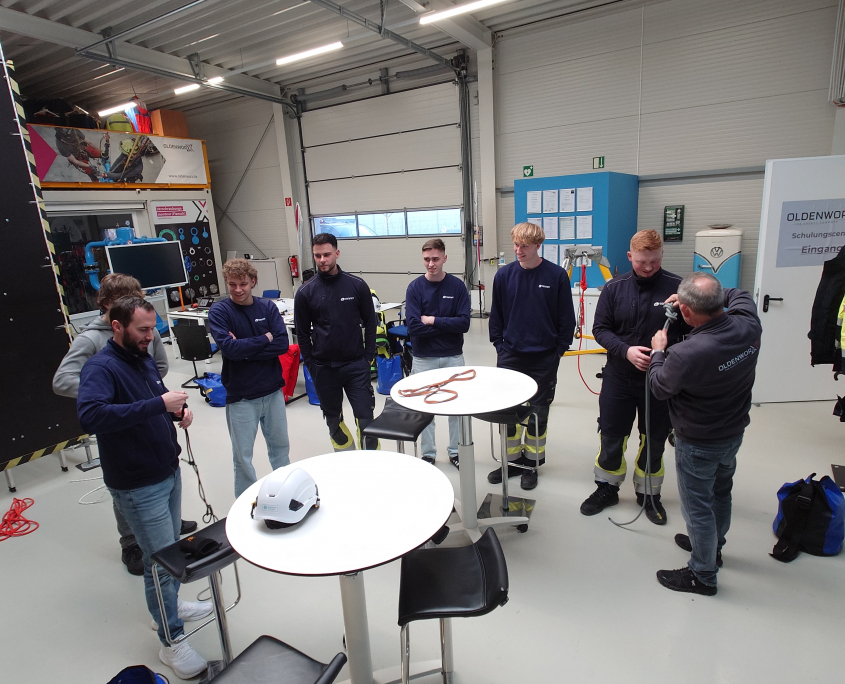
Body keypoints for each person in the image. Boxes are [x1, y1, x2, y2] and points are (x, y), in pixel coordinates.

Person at [77, 296, 211, 679]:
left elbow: (154, 399)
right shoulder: (101, 368)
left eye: (153, 328)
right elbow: (91, 416)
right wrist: (158, 406)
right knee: (161, 563)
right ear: (117, 327)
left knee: (169, 554)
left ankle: (168, 608)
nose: (151, 336)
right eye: (143, 329)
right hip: (138, 485)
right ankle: (172, 641)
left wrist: (177, 410)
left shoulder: (143, 358)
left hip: (166, 471)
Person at [52, 273, 197, 576]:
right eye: (142, 328)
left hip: (156, 444)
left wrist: (165, 404)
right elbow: (66, 385)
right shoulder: (93, 345)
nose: (149, 335)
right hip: (128, 454)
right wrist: (112, 390)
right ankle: (131, 541)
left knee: (163, 526)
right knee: (137, 506)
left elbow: (157, 371)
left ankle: (164, 523)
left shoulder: (143, 341)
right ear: (108, 307)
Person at [649, 273, 762, 596]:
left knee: (697, 507)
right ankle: (713, 548)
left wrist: (658, 352)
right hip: (733, 432)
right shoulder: (748, 325)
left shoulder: (687, 353)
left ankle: (702, 574)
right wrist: (697, 296)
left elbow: (659, 387)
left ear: (685, 312)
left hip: (698, 442)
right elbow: (738, 293)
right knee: (720, 493)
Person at [580, 229, 688, 524]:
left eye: (654, 261)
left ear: (662, 254)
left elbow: (695, 330)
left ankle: (648, 494)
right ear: (630, 257)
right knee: (612, 434)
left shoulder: (678, 288)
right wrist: (626, 351)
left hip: (661, 381)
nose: (649, 267)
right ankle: (607, 488)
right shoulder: (614, 288)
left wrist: (684, 310)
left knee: (654, 437)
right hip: (620, 376)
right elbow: (600, 329)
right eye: (642, 262)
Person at [488, 222, 576, 490]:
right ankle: (512, 462)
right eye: (516, 245)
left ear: (538, 245)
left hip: (544, 358)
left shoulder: (556, 276)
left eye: (524, 246)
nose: (518, 250)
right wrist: (499, 345)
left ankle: (531, 465)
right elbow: (496, 315)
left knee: (538, 414)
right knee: (508, 412)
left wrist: (558, 351)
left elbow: (566, 318)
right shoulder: (503, 276)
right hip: (510, 356)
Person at [208, 259, 291, 498]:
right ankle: (244, 503)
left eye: (243, 284)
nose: (238, 289)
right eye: (232, 284)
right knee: (243, 457)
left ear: (253, 282)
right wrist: (265, 338)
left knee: (281, 449)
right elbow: (229, 349)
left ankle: (286, 493)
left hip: (272, 391)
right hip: (241, 396)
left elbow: (282, 344)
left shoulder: (267, 308)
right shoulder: (220, 311)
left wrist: (243, 349)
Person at [294, 233, 378, 451]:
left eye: (327, 254)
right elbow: (302, 333)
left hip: (356, 366)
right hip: (324, 369)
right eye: (317, 255)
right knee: (334, 424)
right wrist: (311, 365)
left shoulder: (356, 285)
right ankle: (346, 462)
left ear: (337, 253)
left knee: (366, 422)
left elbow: (371, 323)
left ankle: (372, 465)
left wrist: (368, 357)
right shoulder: (305, 292)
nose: (322, 260)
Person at [405, 238, 471, 466]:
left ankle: (455, 451)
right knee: (425, 409)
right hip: (423, 358)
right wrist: (447, 326)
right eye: (427, 259)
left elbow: (464, 324)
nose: (431, 264)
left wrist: (432, 320)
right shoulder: (415, 288)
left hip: (453, 357)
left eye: (435, 259)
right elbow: (414, 328)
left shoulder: (457, 287)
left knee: (456, 408)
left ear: (445, 258)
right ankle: (428, 454)